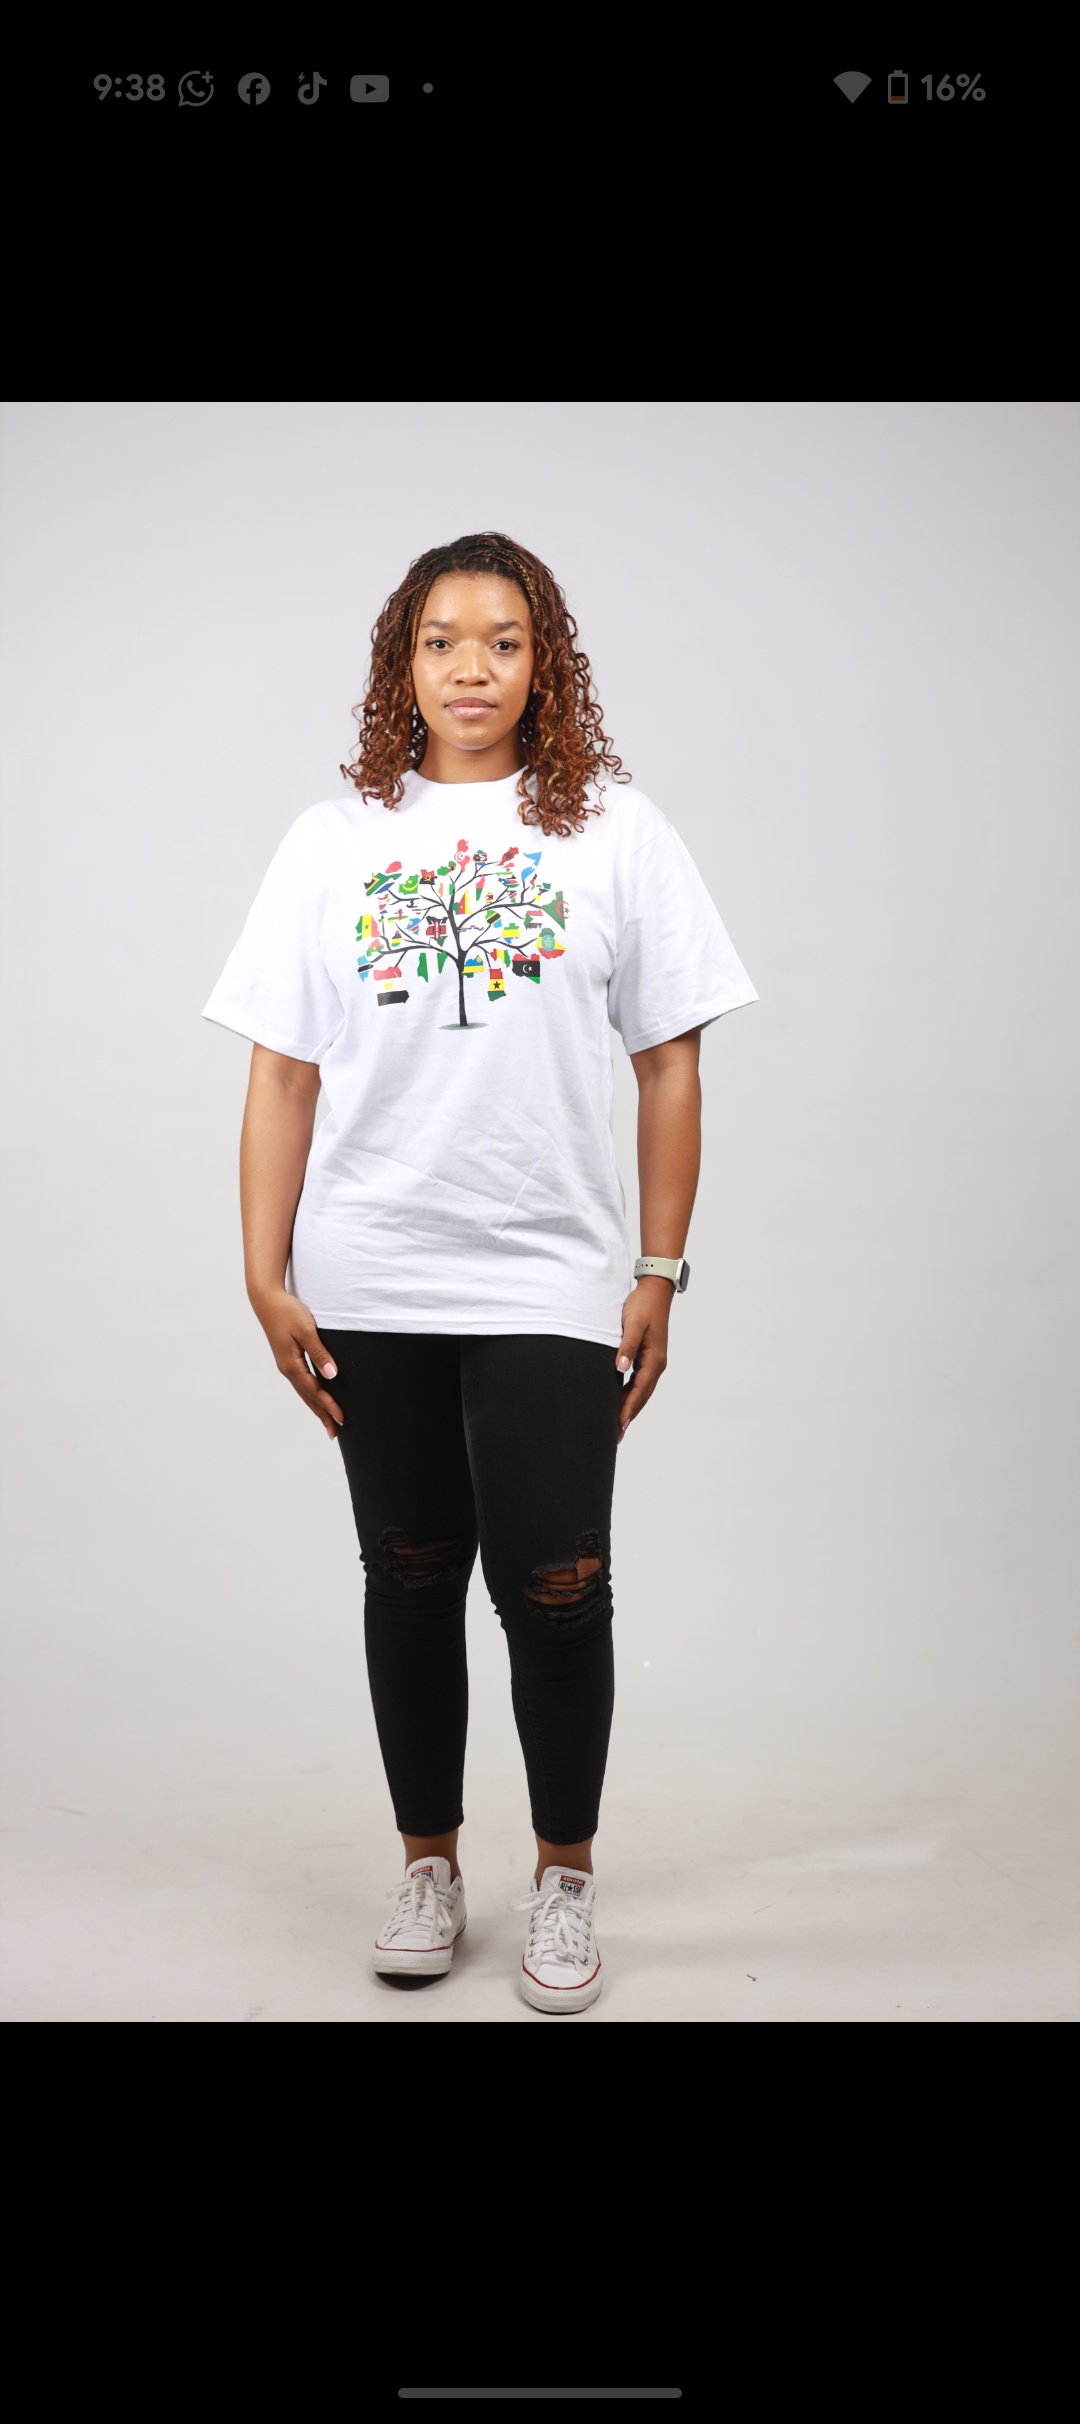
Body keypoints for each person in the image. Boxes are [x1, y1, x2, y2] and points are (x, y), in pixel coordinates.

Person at [203, 532, 756, 2014]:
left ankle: (564, 1878)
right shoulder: (334, 842)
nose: (471, 669)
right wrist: (263, 1269)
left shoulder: (617, 833)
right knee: (407, 1572)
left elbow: (672, 1060)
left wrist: (658, 1267)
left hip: (550, 1270)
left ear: (545, 663)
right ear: (403, 662)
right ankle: (430, 1865)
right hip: (372, 1267)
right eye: (442, 641)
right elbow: (281, 1074)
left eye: (504, 642)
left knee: (558, 1585)